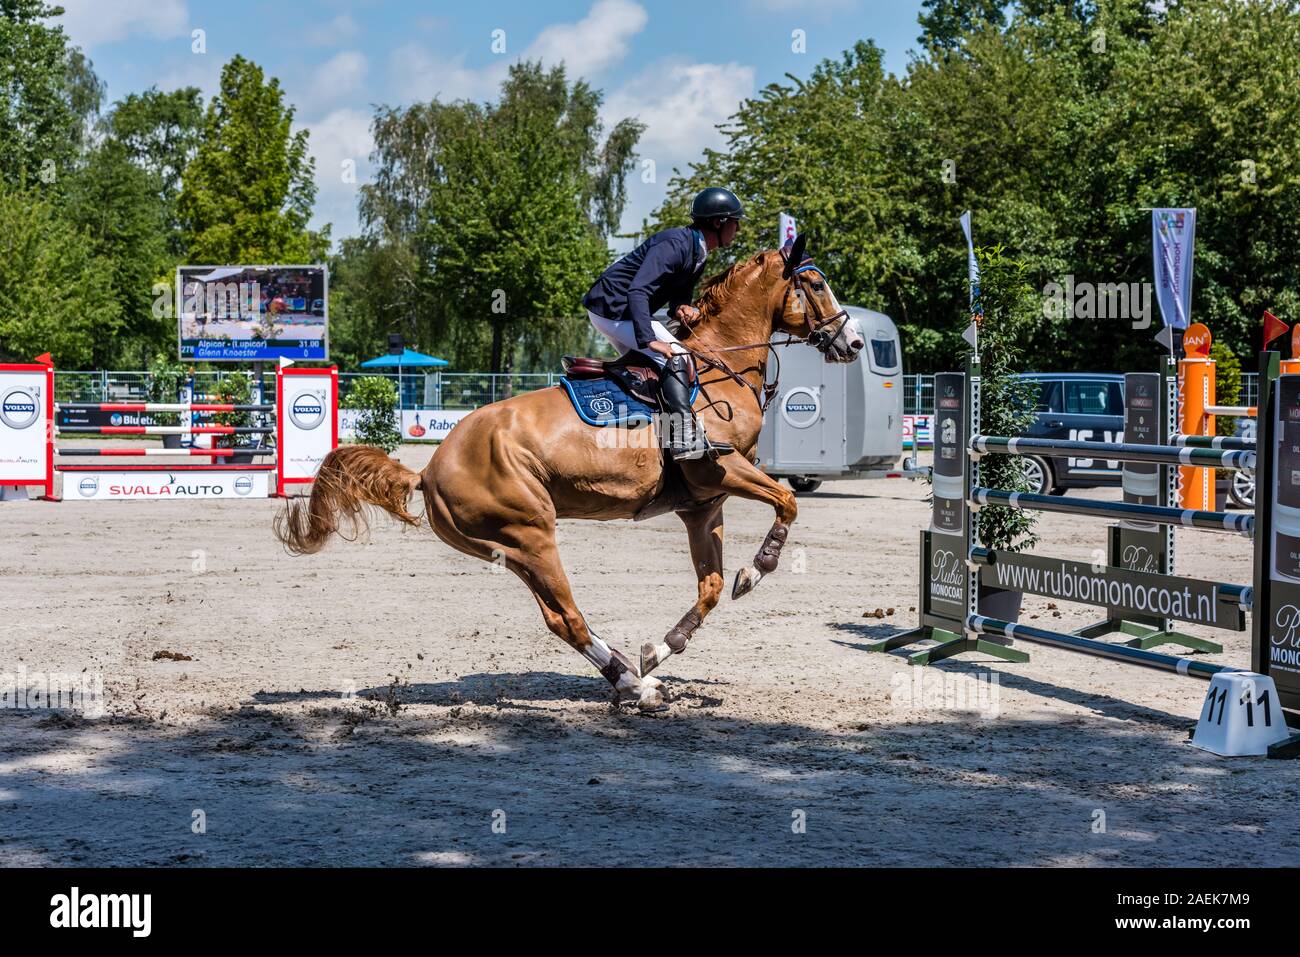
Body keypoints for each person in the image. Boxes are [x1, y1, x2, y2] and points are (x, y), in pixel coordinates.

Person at [583, 187, 744, 460]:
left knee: (650, 367)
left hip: (620, 309)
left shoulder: (697, 249)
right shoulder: (674, 244)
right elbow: (638, 291)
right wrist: (649, 340)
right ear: (718, 222)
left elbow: (676, 293)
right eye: (735, 222)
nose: (738, 229)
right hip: (612, 309)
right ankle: (681, 439)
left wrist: (681, 308)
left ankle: (651, 433)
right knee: (678, 357)